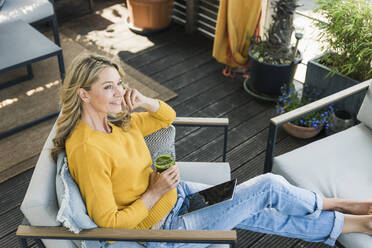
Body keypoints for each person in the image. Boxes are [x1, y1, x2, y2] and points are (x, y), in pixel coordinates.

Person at [51, 53, 372, 248]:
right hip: (167, 230)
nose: (119, 92)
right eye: (108, 87)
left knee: (260, 209)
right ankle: (342, 204)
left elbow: (166, 117)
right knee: (268, 185)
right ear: (83, 94)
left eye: (119, 83)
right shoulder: (87, 148)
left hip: (182, 198)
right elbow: (107, 223)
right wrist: (154, 191)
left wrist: (145, 102)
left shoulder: (117, 121)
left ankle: (355, 223)